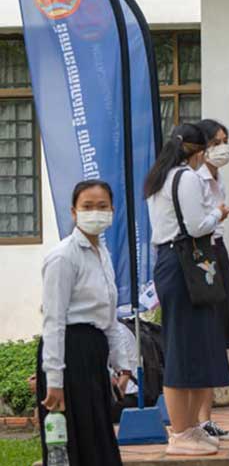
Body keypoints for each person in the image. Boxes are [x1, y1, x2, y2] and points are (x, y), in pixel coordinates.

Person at [36, 180, 136, 466]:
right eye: (87, 206)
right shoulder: (63, 257)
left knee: (98, 436)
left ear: (112, 210)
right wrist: (54, 381)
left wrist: (123, 366)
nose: (95, 212)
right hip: (68, 353)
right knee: (73, 441)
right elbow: (53, 321)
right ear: (73, 211)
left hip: (94, 353)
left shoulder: (102, 253)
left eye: (102, 206)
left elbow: (108, 316)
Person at [147, 123, 229, 456]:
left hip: (179, 263)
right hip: (182, 264)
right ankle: (180, 433)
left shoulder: (163, 177)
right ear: (197, 152)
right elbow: (197, 225)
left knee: (198, 343)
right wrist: (218, 213)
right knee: (183, 346)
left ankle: (192, 428)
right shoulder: (185, 178)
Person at [194, 119, 229, 441]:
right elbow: (198, 224)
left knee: (221, 332)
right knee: (206, 335)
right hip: (202, 255)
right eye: (216, 142)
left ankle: (206, 419)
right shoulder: (193, 180)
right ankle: (198, 421)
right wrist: (217, 216)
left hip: (218, 249)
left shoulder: (217, 177)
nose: (222, 148)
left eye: (225, 140)